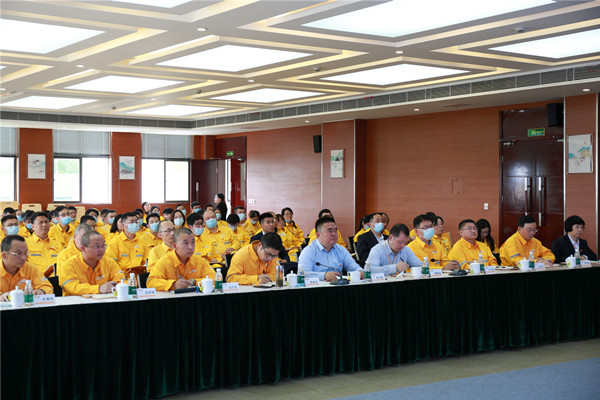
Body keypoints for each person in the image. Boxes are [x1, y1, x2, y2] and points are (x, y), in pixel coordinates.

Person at [147, 228, 215, 291]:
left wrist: (194, 282)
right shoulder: (165, 262)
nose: (190, 247)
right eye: (186, 243)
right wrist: (173, 284)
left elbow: (215, 278)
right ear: (175, 246)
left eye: (193, 242)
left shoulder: (200, 261)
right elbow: (151, 282)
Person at [59, 231, 125, 296]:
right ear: (83, 248)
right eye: (97, 246)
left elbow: (121, 280)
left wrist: (118, 286)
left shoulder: (109, 262)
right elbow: (70, 288)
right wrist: (98, 289)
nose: (102, 250)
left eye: (103, 246)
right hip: (76, 302)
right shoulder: (69, 265)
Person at [299, 217, 363, 281]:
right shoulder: (308, 251)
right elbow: (303, 274)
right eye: (329, 231)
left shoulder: (341, 250)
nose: (334, 234)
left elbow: (354, 268)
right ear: (318, 235)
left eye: (335, 230)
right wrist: (324, 276)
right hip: (317, 286)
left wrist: (360, 272)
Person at [0, 235, 53, 300]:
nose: (24, 257)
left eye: (25, 253)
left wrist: (41, 291)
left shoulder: (30, 268)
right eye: (18, 253)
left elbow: (47, 286)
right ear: (4, 255)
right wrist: (1, 296)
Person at [25, 212, 62, 277]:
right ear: (33, 226)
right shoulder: (25, 243)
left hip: (56, 279)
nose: (44, 225)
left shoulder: (57, 244)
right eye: (40, 222)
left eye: (46, 222)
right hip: (35, 279)